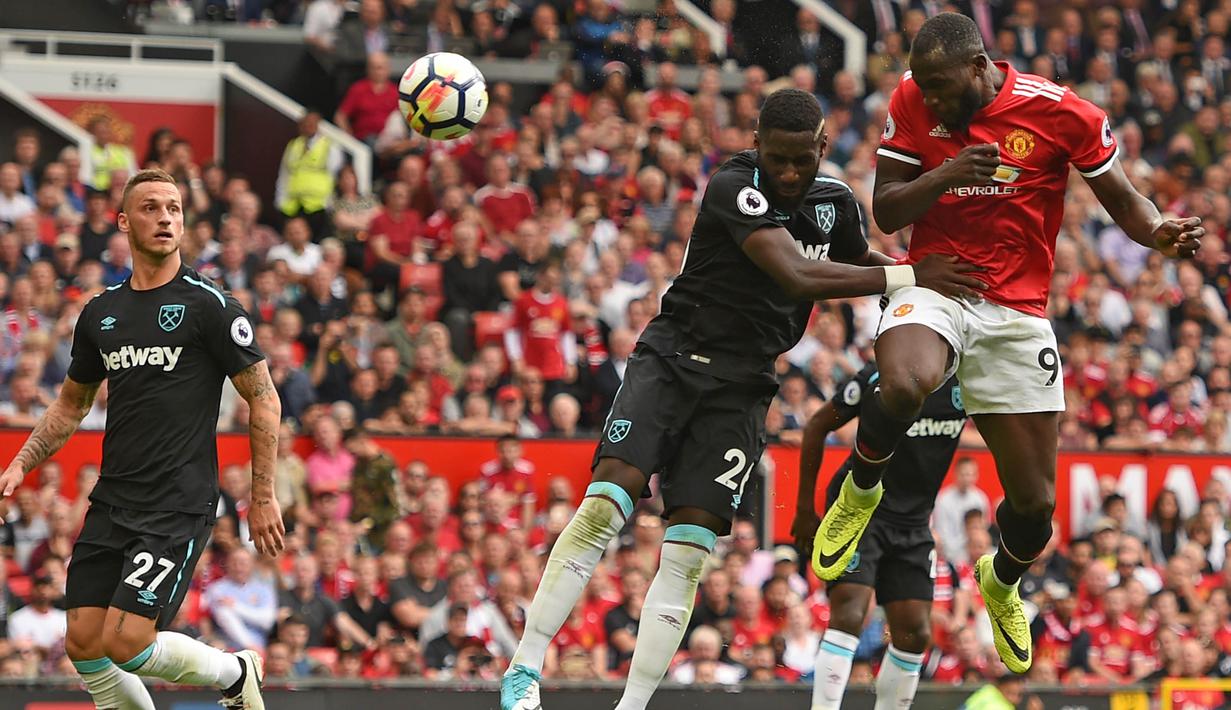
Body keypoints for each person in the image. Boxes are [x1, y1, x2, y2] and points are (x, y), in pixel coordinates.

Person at [499, 88, 984, 710]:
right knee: (605, 506)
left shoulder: (834, 204)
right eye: (775, 157)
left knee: (689, 549)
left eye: (799, 162)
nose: (786, 173)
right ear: (756, 144)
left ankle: (632, 705)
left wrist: (917, 284)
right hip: (672, 363)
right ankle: (525, 668)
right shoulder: (735, 186)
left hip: (743, 388)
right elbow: (799, 275)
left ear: (821, 150)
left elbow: (852, 257)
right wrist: (911, 275)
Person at [813, 12, 1203, 674]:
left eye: (942, 87)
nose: (930, 99)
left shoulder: (1060, 113)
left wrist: (1158, 230)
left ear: (978, 67)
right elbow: (886, 209)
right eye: (925, 88)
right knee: (904, 383)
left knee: (1035, 508)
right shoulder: (910, 97)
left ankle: (1001, 579)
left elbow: (1124, 200)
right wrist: (946, 173)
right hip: (936, 285)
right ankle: (861, 485)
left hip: (1016, 312)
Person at [0, 169, 285, 710]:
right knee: (84, 641)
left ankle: (235, 671)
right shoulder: (102, 313)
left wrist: (263, 496)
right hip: (114, 499)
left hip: (177, 502)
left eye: (174, 208)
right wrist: (21, 462)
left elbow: (265, 398)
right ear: (125, 222)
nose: (166, 218)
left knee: (128, 642)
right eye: (152, 208)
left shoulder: (211, 306)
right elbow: (71, 404)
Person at [792, 363, 966, 710]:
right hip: (860, 508)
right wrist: (804, 509)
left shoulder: (969, 382)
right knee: (852, 612)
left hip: (914, 522)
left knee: (915, 633)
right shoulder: (881, 374)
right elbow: (816, 425)